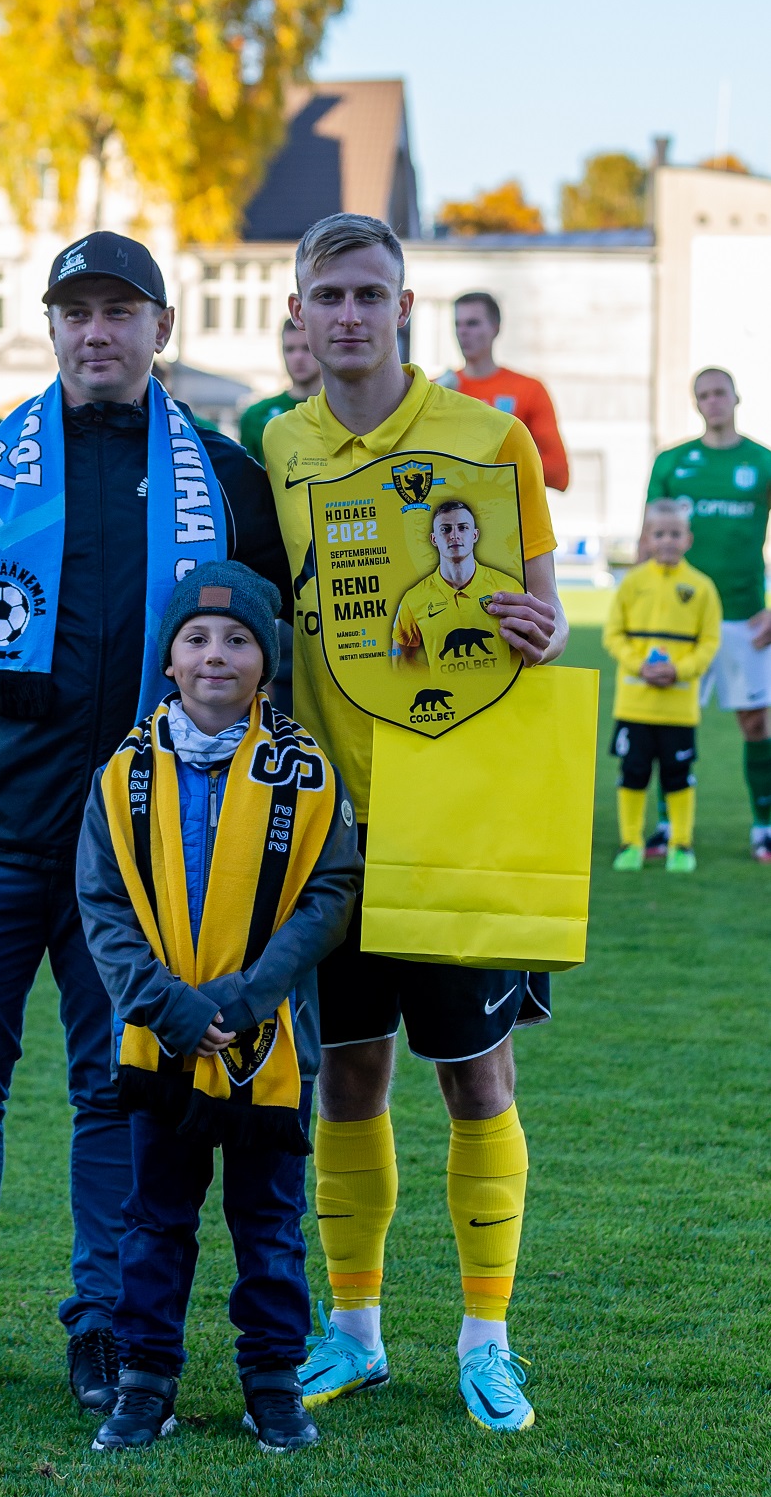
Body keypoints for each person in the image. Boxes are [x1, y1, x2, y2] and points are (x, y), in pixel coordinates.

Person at [0, 231, 291, 1413]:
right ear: (47, 327)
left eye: (119, 311)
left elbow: (274, 662)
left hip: (145, 857)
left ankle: (101, 1323)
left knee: (113, 1091)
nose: (96, 333)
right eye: (76, 312)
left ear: (161, 328)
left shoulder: (224, 479)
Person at [262, 213, 568, 1433]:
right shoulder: (277, 445)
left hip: (456, 811)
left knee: (475, 1077)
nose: (346, 313)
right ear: (297, 311)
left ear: (402, 305)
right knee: (346, 1075)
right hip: (328, 824)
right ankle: (354, 1333)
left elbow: (539, 611)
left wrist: (541, 630)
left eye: (367, 293)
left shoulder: (489, 439)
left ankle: (487, 1340)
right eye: (326, 294)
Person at [77, 561, 360, 1453]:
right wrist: (163, 1003)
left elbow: (330, 891)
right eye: (195, 638)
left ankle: (271, 1380)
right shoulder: (122, 773)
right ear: (167, 658)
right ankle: (144, 1380)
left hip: (267, 1041)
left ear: (266, 659)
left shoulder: (305, 771)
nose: (215, 655)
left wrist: (246, 995)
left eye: (238, 639)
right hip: (159, 1040)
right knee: (154, 1220)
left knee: (269, 1224)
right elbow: (103, 904)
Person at [646, 367, 771, 863]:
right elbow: (648, 540)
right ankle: (667, 826)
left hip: (746, 616)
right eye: (703, 395)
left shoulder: (762, 462)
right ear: (695, 403)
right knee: (671, 722)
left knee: (755, 723)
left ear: (736, 397)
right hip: (680, 619)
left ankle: (764, 827)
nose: (712, 401)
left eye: (720, 392)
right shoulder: (672, 462)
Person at [602, 499, 720, 874]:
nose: (667, 540)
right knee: (633, 774)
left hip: (678, 708)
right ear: (647, 539)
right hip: (634, 706)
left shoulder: (701, 587)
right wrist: (639, 665)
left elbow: (709, 642)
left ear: (688, 539)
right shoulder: (632, 583)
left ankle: (680, 845)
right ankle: (631, 844)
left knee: (678, 778)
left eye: (675, 534)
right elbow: (613, 635)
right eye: (659, 534)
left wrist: (680, 670)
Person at [443, 292, 570, 493]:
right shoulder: (439, 391)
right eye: (458, 324)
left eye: (473, 323)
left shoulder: (528, 389)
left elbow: (558, 473)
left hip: (507, 507)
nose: (463, 332)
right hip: (453, 508)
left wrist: (488, 458)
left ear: (496, 328)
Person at [391, 500, 524, 670]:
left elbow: (528, 649)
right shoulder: (413, 599)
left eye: (462, 528)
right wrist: (435, 682)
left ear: (474, 535)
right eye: (445, 529)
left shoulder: (508, 587)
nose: (454, 535)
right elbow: (401, 663)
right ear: (434, 539)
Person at [238, 319, 323, 467]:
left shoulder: (342, 410)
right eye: (290, 349)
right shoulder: (255, 415)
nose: (298, 357)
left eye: (306, 348)